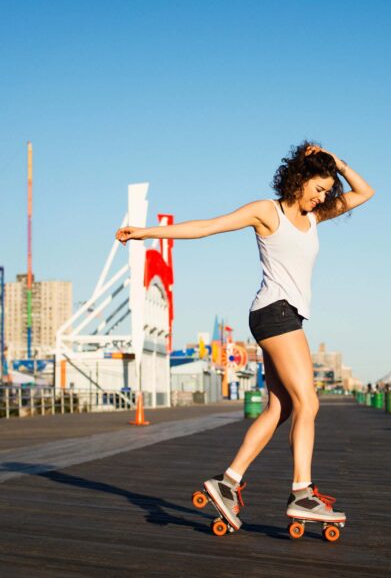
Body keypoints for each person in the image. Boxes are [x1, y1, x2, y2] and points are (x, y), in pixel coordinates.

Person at [115, 141, 374, 532]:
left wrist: (335, 161)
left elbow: (365, 192)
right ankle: (301, 492)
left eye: (327, 191)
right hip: (276, 312)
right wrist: (146, 232)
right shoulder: (267, 212)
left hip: (282, 317)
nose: (323, 196)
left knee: (280, 408)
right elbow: (206, 227)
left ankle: (228, 482)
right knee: (309, 402)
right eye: (319, 188)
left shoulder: (315, 216)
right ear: (300, 180)